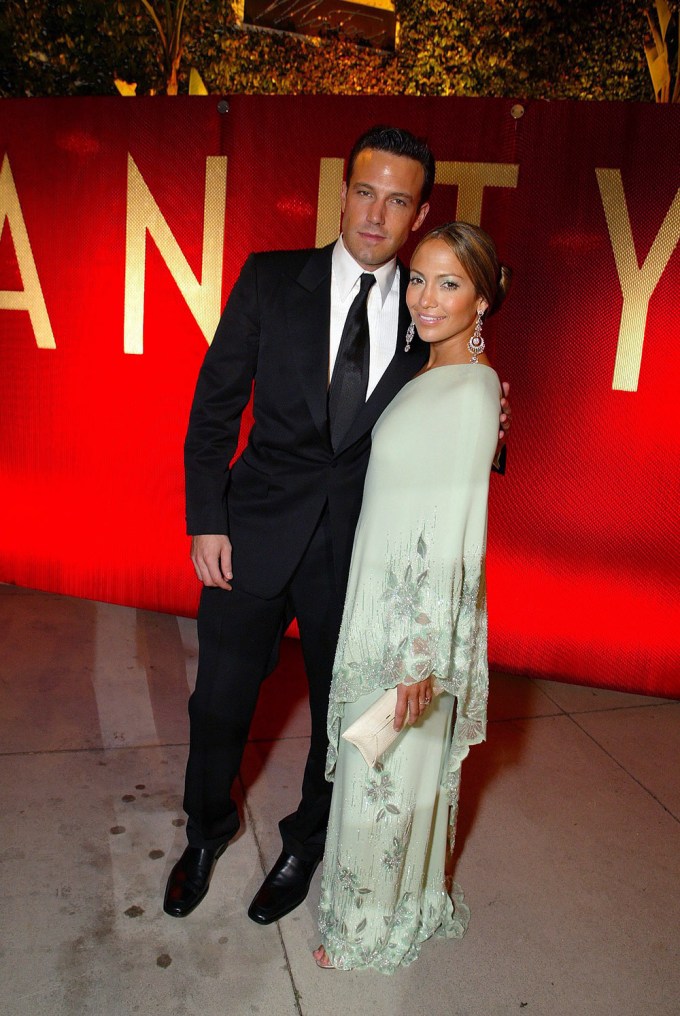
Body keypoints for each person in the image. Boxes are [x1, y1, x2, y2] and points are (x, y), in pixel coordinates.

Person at [163, 126, 512, 925]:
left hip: (355, 559)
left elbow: (453, 405)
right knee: (217, 702)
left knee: (340, 720)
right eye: (365, 190)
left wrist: (495, 420)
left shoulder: (428, 322)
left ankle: (305, 843)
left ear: (420, 211)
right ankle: (207, 830)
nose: (376, 212)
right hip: (248, 535)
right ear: (342, 191)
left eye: (398, 199)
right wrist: (205, 517)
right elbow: (214, 407)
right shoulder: (269, 278)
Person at [313, 221, 510, 972]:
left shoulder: (471, 389)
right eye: (419, 280)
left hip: (408, 627)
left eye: (450, 283)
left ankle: (368, 931)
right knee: (381, 775)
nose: (426, 299)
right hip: (379, 608)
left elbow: (455, 532)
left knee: (383, 779)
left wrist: (423, 654)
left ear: (483, 299)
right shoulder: (427, 372)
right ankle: (391, 907)